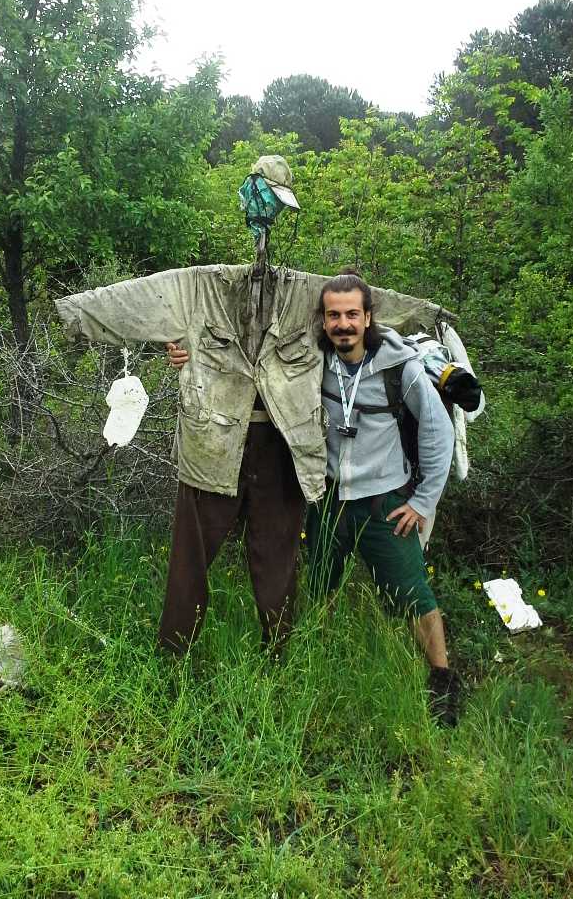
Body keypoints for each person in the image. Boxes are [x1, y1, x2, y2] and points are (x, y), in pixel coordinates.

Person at [57, 158, 449, 656]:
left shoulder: (310, 296)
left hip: (284, 449)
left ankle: (278, 656)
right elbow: (134, 302)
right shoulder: (200, 287)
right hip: (211, 444)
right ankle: (173, 654)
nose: (343, 321)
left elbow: (376, 311)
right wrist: (77, 315)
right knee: (191, 558)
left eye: (352, 316)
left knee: (278, 558)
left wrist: (432, 319)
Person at [307, 269, 461, 726]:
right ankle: (322, 666)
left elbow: (438, 431)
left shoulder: (401, 368)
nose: (343, 324)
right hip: (328, 500)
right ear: (323, 319)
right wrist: (186, 353)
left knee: (415, 595)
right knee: (319, 588)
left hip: (384, 504)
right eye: (333, 315)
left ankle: (443, 682)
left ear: (368, 316)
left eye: (352, 314)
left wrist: (423, 501)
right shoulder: (312, 361)